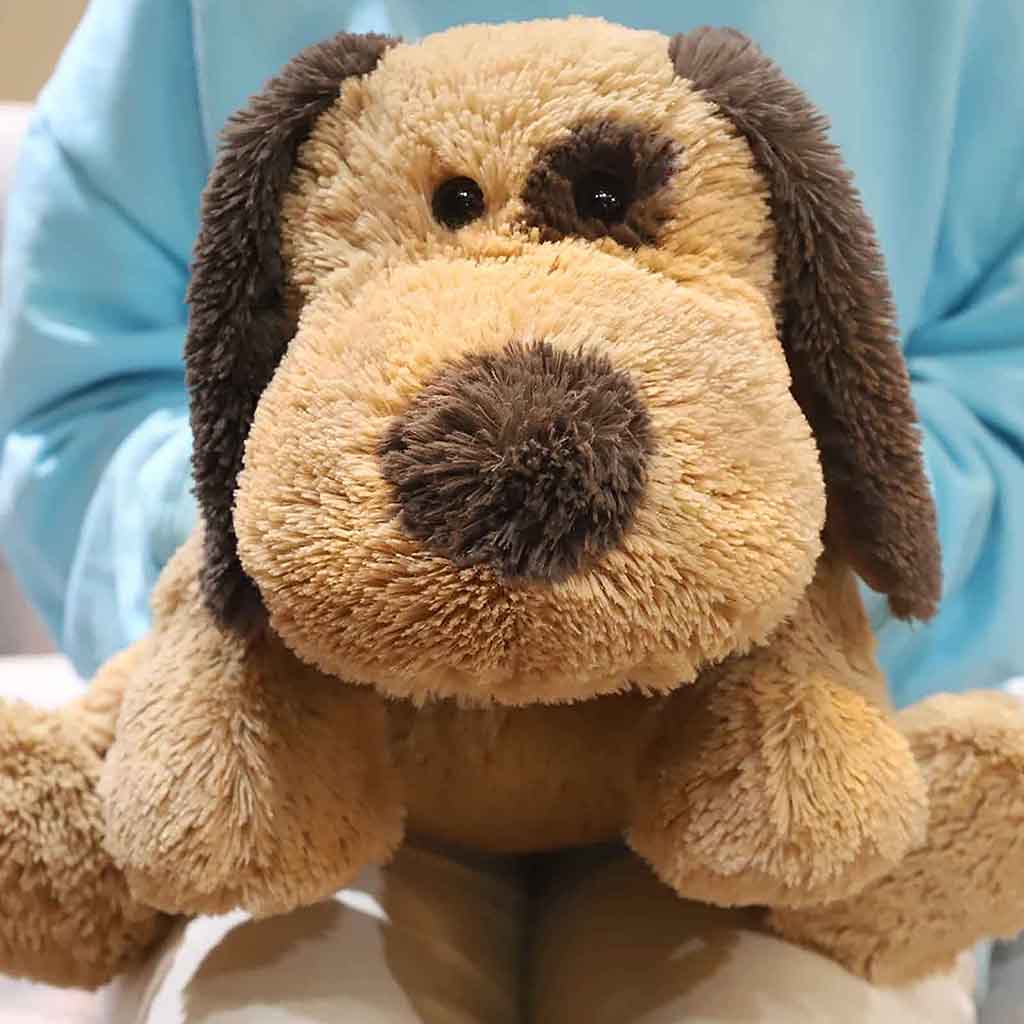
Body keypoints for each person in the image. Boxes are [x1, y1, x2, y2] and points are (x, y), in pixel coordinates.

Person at [0, 1, 1021, 1020]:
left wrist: (766, 537)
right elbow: (79, 375)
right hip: (335, 750)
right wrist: (282, 553)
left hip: (747, 742)